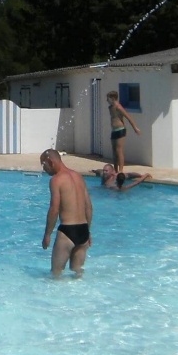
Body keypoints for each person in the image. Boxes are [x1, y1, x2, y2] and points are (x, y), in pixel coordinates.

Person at [40, 149, 93, 277]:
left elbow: (54, 209)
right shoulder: (78, 177)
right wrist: (88, 231)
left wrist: (47, 234)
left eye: (43, 165)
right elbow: (89, 207)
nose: (44, 169)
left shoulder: (56, 180)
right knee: (78, 272)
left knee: (56, 274)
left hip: (67, 231)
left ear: (51, 162)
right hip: (83, 230)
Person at [106, 92, 141, 174]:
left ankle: (121, 170)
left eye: (108, 98)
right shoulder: (110, 108)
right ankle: (115, 170)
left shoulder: (119, 107)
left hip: (120, 130)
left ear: (113, 98)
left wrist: (135, 128)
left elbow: (128, 117)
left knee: (119, 150)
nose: (107, 100)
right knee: (114, 151)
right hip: (114, 131)